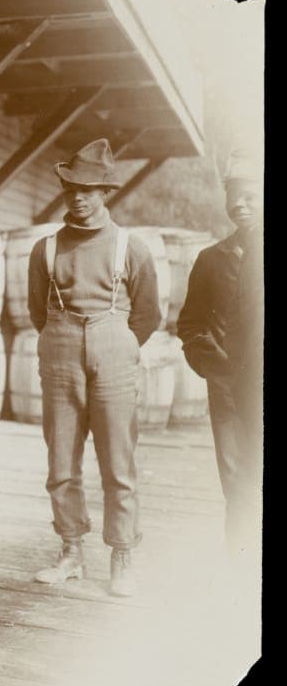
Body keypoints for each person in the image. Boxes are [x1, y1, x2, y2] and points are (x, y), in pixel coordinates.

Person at [26, 139, 161, 598]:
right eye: (70, 190)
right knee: (61, 461)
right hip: (59, 351)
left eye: (88, 189)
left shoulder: (131, 247)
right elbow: (36, 312)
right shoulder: (45, 249)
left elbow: (148, 315)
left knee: (117, 464)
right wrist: (67, 340)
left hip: (114, 352)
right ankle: (70, 551)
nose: (78, 198)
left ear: (106, 192)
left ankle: (122, 553)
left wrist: (116, 344)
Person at [176, 171, 263, 574]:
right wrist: (209, 363)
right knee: (237, 482)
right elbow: (189, 323)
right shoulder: (212, 259)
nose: (240, 204)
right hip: (228, 390)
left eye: (249, 196)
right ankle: (242, 574)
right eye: (233, 198)